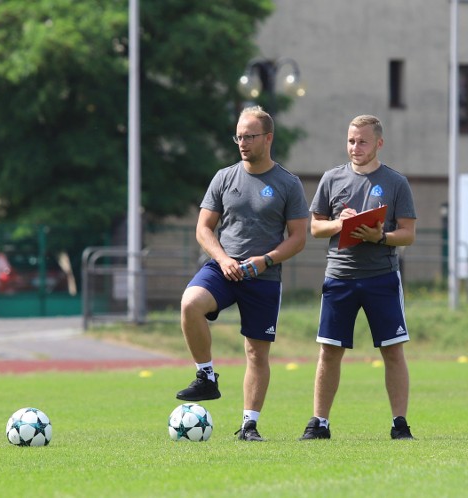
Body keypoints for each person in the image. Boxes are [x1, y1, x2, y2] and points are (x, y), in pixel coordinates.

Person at [175, 105, 309, 442]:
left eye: (249, 136)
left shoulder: (287, 183)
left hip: (263, 277)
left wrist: (266, 260)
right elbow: (204, 228)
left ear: (268, 138)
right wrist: (222, 259)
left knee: (256, 352)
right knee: (191, 303)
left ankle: (249, 425)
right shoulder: (224, 177)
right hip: (224, 268)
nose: (242, 142)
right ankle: (206, 376)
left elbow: (298, 239)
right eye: (238, 136)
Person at [299, 114, 417, 441]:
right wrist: (340, 223)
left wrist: (379, 236)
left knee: (392, 350)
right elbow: (315, 227)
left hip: (382, 278)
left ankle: (400, 423)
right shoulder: (331, 179)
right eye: (351, 141)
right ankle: (319, 423)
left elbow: (408, 234)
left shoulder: (396, 183)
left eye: (362, 141)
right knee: (329, 351)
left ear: (379, 143)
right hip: (339, 277)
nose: (355, 147)